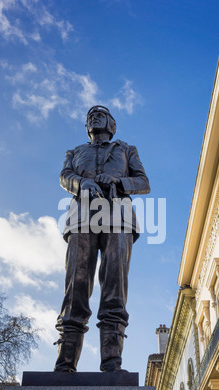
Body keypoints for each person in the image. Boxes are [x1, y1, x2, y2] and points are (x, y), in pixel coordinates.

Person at [54, 105, 150, 372]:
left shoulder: (126, 149)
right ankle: (64, 364)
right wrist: (81, 183)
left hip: (118, 217)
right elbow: (65, 176)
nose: (94, 117)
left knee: (114, 286)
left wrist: (118, 182)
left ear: (112, 124)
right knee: (75, 286)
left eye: (100, 115)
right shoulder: (74, 152)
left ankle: (111, 362)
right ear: (87, 127)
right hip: (82, 218)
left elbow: (143, 181)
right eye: (90, 117)